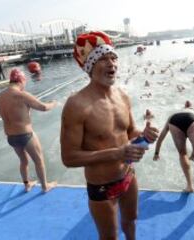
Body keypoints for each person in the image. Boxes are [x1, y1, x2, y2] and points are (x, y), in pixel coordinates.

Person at [61, 31, 159, 240]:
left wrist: (145, 134)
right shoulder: (77, 104)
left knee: (131, 221)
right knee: (109, 237)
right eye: (103, 59)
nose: (111, 63)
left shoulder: (122, 95)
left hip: (128, 176)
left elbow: (130, 130)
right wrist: (117, 153)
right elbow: (69, 158)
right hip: (101, 185)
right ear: (89, 66)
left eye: (113, 57)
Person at [0, 69, 57, 193]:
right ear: (21, 81)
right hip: (25, 135)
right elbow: (43, 107)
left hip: (11, 137)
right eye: (24, 82)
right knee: (39, 161)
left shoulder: (0, 96)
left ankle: (27, 184)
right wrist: (53, 103)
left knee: (23, 161)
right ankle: (45, 186)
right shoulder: (22, 95)